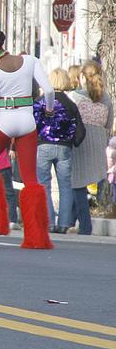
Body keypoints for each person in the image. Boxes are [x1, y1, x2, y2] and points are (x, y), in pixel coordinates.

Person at [0, 29, 54, 249]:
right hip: (28, 122)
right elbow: (50, 90)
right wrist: (49, 110)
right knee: (31, 180)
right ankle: (37, 237)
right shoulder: (30, 61)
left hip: (4, 124)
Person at [36, 68, 85, 234]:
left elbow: (32, 123)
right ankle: (64, 223)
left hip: (43, 145)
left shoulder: (41, 101)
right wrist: (74, 142)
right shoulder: (70, 104)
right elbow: (80, 130)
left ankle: (49, 222)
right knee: (65, 186)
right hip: (64, 147)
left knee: (44, 185)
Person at [68, 61, 113, 235]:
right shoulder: (107, 99)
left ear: (82, 76)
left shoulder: (75, 97)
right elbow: (109, 124)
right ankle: (71, 220)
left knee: (77, 183)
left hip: (80, 143)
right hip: (99, 143)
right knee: (89, 182)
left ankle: (85, 225)